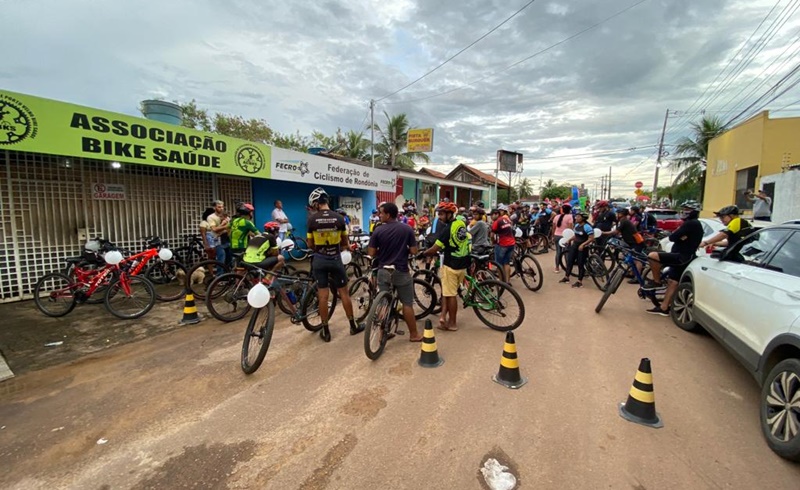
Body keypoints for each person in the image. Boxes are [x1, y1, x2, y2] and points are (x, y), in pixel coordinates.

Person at [306, 187, 364, 342]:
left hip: (319, 259)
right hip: (335, 259)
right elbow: (345, 242)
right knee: (344, 293)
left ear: (317, 204)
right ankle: (353, 326)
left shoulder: (312, 220)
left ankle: (326, 331)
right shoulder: (339, 218)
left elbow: (310, 243)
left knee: (323, 296)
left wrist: (319, 248)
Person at [367, 202, 422, 342]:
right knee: (407, 304)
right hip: (401, 271)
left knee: (383, 302)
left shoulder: (378, 231)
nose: (379, 216)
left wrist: (382, 251)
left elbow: (371, 252)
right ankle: (414, 334)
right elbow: (414, 251)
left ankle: (381, 335)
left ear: (388, 214)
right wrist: (405, 250)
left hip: (383, 271)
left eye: (381, 213)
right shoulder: (407, 229)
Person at [644, 202, 704, 316]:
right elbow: (676, 237)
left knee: (652, 256)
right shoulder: (692, 223)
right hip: (684, 256)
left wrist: (679, 236)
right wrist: (680, 237)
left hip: (682, 257)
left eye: (687, 209)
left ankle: (656, 281)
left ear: (694, 211)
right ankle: (664, 307)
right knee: (673, 282)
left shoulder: (691, 224)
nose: (684, 211)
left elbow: (672, 237)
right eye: (684, 208)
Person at [421, 201, 469, 332]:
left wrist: (423, 253)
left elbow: (435, 248)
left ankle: (452, 323)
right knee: (448, 294)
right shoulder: (461, 223)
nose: (440, 217)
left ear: (449, 214)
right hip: (463, 263)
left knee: (451, 295)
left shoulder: (447, 229)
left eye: (442, 214)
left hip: (451, 265)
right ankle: (443, 318)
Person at [560, 212, 594, 288]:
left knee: (580, 264)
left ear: (583, 218)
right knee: (570, 261)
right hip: (575, 246)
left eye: (578, 217)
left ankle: (579, 282)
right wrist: (569, 240)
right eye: (576, 216)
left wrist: (583, 244)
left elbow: (591, 238)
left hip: (582, 248)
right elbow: (575, 236)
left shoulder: (587, 227)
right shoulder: (577, 225)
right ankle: (566, 277)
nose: (576, 218)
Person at [491, 204, 516, 282]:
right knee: (506, 263)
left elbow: (492, 235)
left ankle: (501, 281)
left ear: (496, 214)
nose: (491, 217)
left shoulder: (496, 222)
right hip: (511, 244)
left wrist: (493, 243)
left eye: (492, 215)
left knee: (499, 264)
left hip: (502, 244)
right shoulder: (506, 219)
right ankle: (508, 281)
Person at [206, 200, 231, 274]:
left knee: (229, 258)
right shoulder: (211, 217)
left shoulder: (227, 217)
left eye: (222, 207)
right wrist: (225, 225)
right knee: (221, 258)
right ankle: (219, 276)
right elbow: (214, 229)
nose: (221, 208)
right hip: (218, 240)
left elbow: (229, 228)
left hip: (227, 239)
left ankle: (228, 275)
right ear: (214, 208)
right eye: (219, 207)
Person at [552, 204, 573, 273]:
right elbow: (570, 228)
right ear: (569, 210)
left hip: (556, 235)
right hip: (565, 237)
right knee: (566, 252)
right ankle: (567, 268)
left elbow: (554, 228)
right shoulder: (570, 217)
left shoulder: (556, 217)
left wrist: (553, 236)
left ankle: (557, 267)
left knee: (558, 252)